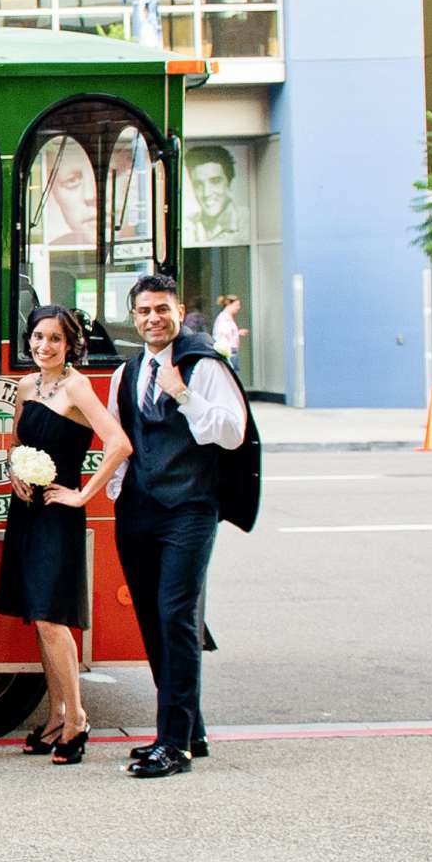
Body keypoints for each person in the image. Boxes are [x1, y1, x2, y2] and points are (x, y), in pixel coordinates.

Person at [109, 273, 259, 778]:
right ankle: (189, 729)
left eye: (162, 310)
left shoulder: (201, 365)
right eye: (144, 311)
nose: (153, 319)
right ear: (134, 318)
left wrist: (184, 394)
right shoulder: (126, 372)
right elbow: (124, 443)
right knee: (151, 620)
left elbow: (234, 432)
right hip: (138, 509)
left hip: (190, 508)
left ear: (179, 311)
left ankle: (173, 744)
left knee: (176, 617)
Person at [0, 306, 131, 765]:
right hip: (26, 510)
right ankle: (54, 716)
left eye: (54, 339)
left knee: (53, 619)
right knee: (38, 616)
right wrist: (15, 470)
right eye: (37, 337)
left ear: (70, 344)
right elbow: (16, 442)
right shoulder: (26, 386)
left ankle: (77, 719)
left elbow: (118, 443)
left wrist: (82, 494)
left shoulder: (77, 387)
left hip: (57, 512)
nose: (43, 346)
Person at [212, 294, 244, 368]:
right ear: (229, 304)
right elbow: (222, 336)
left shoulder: (227, 318)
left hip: (232, 352)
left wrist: (237, 333)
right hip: (229, 352)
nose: (238, 308)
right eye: (237, 305)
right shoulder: (224, 319)